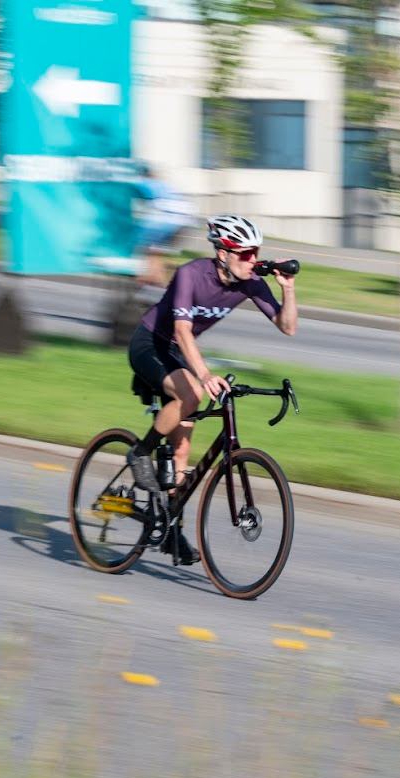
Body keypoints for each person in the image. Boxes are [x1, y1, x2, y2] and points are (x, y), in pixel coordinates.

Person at [125, 214, 298, 564]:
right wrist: (204, 374)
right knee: (192, 395)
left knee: (183, 450)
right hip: (151, 344)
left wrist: (287, 288)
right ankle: (140, 452)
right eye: (245, 254)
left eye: (256, 253)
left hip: (178, 354)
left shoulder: (249, 281)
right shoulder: (191, 274)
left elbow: (287, 326)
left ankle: (170, 530)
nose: (253, 260)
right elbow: (183, 332)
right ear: (223, 254)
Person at [132, 163, 194, 287]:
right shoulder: (164, 184)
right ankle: (160, 282)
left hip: (165, 220)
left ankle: (148, 280)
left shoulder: (141, 183)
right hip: (186, 221)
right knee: (157, 251)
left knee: (143, 246)